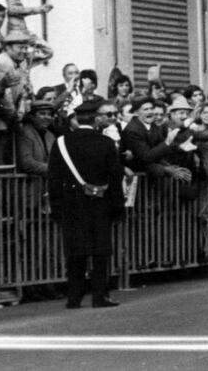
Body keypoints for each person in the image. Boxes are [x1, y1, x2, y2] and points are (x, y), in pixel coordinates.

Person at [48, 100, 124, 309]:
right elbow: (115, 177)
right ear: (96, 119)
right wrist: (118, 207)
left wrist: (56, 207)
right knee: (100, 251)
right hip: (100, 203)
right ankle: (100, 296)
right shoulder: (106, 143)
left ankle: (74, 297)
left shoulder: (61, 143)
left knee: (75, 251)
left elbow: (53, 178)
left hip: (71, 203)